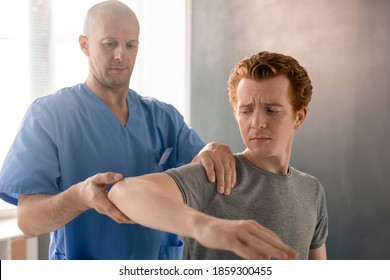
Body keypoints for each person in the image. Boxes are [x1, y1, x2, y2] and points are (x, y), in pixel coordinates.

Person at [0, 0, 236, 260]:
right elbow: (28, 221)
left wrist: (212, 149)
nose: (120, 55)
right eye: (109, 43)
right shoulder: (48, 115)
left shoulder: (164, 117)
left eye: (130, 45)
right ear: (85, 45)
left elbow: (201, 170)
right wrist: (80, 197)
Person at [108, 51, 328, 260]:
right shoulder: (217, 175)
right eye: (246, 110)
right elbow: (123, 191)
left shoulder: (311, 190)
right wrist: (206, 226)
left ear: (299, 117)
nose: (257, 123)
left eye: (271, 110)